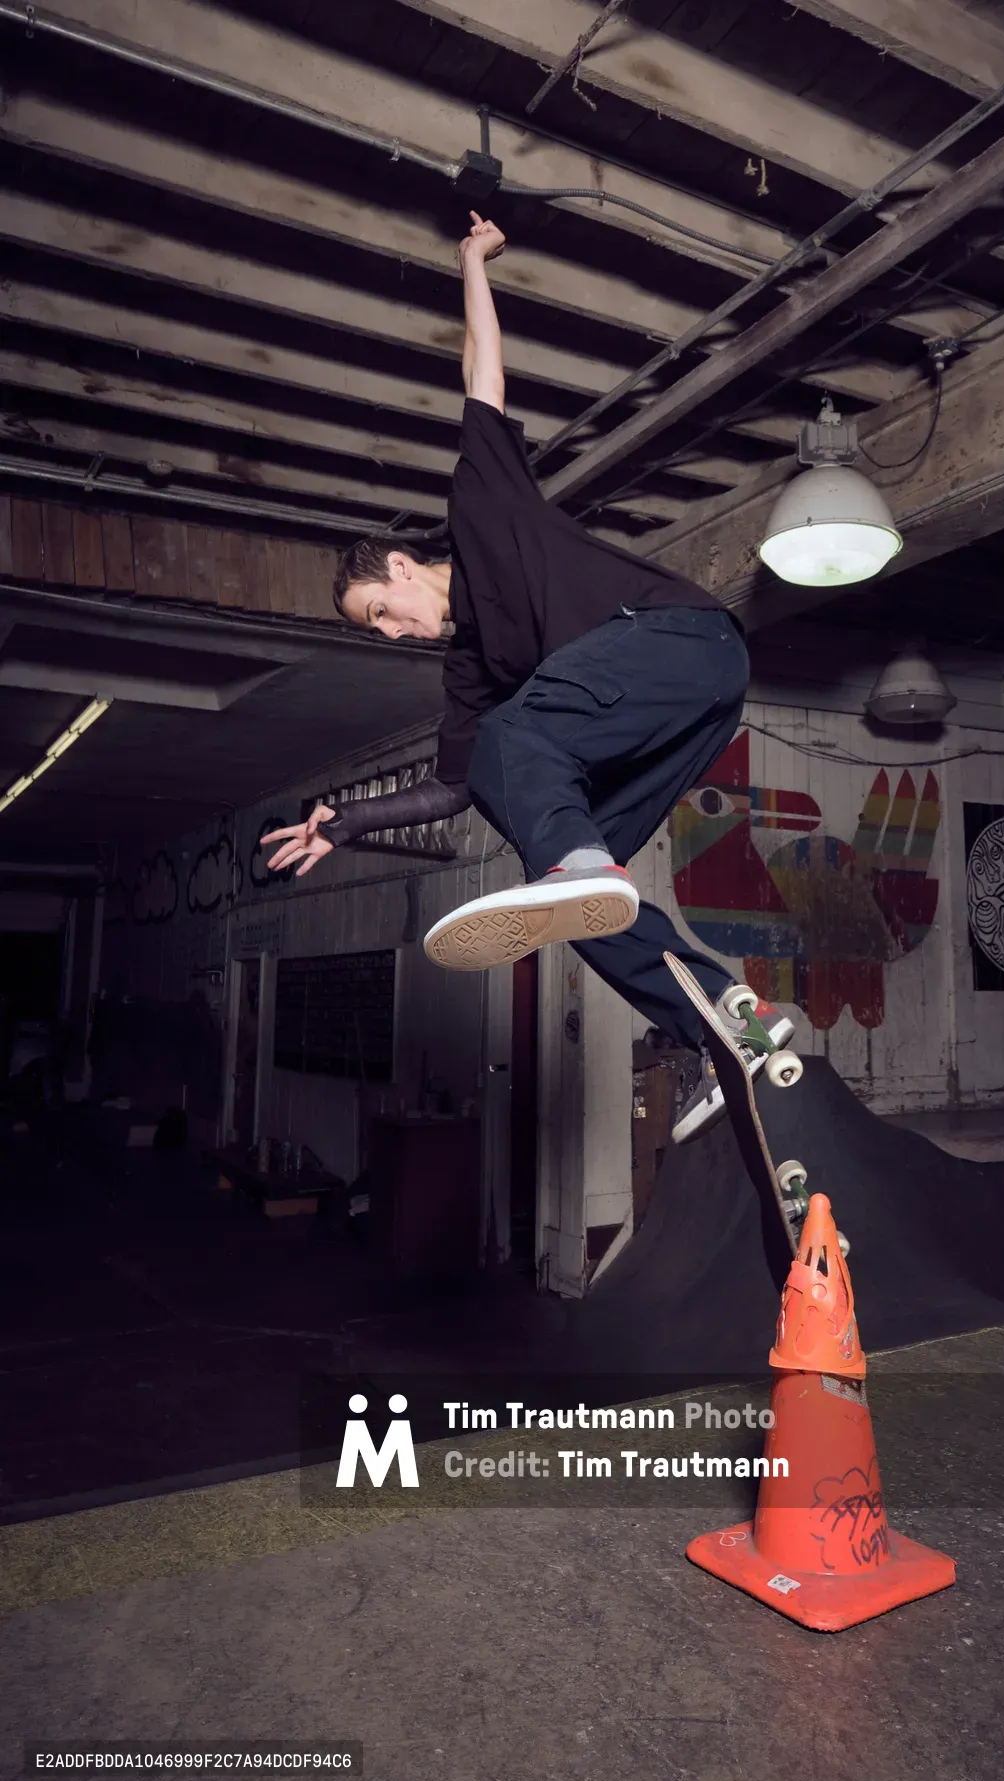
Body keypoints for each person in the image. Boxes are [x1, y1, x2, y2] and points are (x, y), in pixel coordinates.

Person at [261, 212, 793, 1142]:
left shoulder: (482, 506)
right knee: (579, 906)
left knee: (523, 750)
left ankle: (578, 863)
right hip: (685, 712)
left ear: (397, 567)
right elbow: (454, 785)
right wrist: (344, 822)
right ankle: (723, 1031)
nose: (394, 631)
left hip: (682, 642)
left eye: (383, 612)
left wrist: (472, 263)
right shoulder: (474, 669)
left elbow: (482, 371)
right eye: (380, 632)